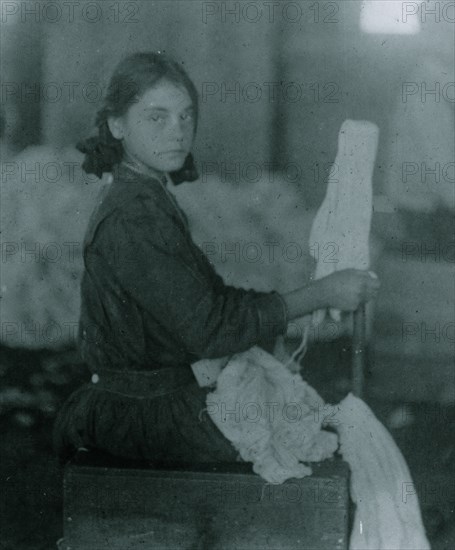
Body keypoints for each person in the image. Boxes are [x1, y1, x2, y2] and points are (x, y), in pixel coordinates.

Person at [53, 52, 380, 466]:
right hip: (141, 416)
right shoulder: (133, 215)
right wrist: (318, 295)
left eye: (186, 117)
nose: (177, 132)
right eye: (157, 118)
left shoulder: (146, 196)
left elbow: (212, 301)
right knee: (315, 441)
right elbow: (209, 330)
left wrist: (287, 313)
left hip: (149, 399)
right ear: (117, 125)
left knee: (310, 417)